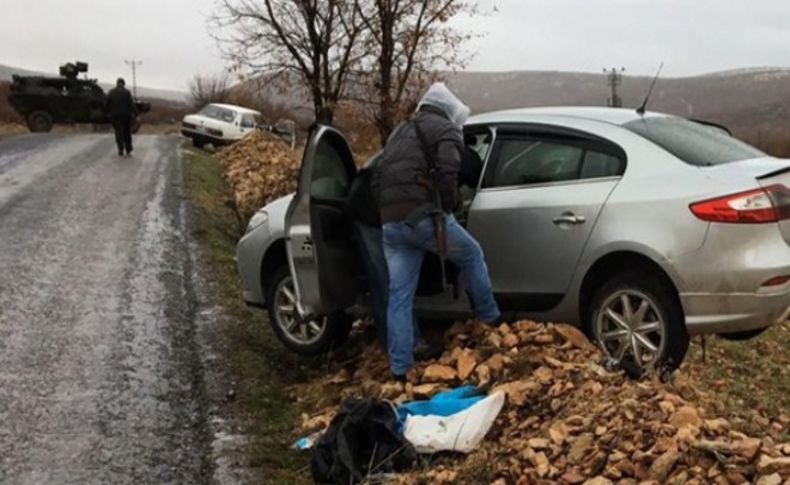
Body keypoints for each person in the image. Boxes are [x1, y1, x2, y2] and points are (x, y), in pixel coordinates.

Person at [372, 83, 501, 380]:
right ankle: (490, 320)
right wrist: (449, 206)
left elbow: (377, 174)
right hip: (424, 217)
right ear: (448, 109)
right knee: (471, 255)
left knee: (399, 296)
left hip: (391, 222)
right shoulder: (445, 130)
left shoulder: (399, 132)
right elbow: (448, 169)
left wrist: (385, 212)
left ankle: (400, 368)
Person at [105, 78, 136, 156]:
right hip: (126, 116)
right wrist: (136, 113)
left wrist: (107, 113)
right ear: (124, 84)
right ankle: (128, 149)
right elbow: (131, 104)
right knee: (126, 133)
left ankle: (120, 149)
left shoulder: (111, 92)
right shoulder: (127, 92)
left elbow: (107, 104)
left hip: (115, 116)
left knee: (118, 133)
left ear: (117, 83)